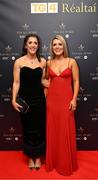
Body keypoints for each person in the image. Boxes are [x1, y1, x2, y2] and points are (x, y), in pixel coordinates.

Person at [46, 35, 79, 176]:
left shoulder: (71, 62)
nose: (57, 47)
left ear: (63, 46)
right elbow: (47, 81)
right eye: (55, 45)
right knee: (53, 131)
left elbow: (76, 81)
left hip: (66, 101)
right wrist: (45, 96)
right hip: (51, 102)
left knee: (65, 130)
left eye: (60, 44)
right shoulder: (48, 62)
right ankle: (53, 161)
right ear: (52, 47)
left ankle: (65, 164)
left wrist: (74, 99)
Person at [12, 33, 46, 170]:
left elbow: (43, 81)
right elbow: (16, 82)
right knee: (27, 129)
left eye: (35, 43)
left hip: (39, 101)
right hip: (24, 101)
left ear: (38, 46)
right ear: (26, 45)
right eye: (30, 42)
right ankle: (30, 157)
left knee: (39, 129)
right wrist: (13, 99)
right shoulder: (19, 62)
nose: (33, 45)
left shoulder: (43, 62)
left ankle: (37, 157)